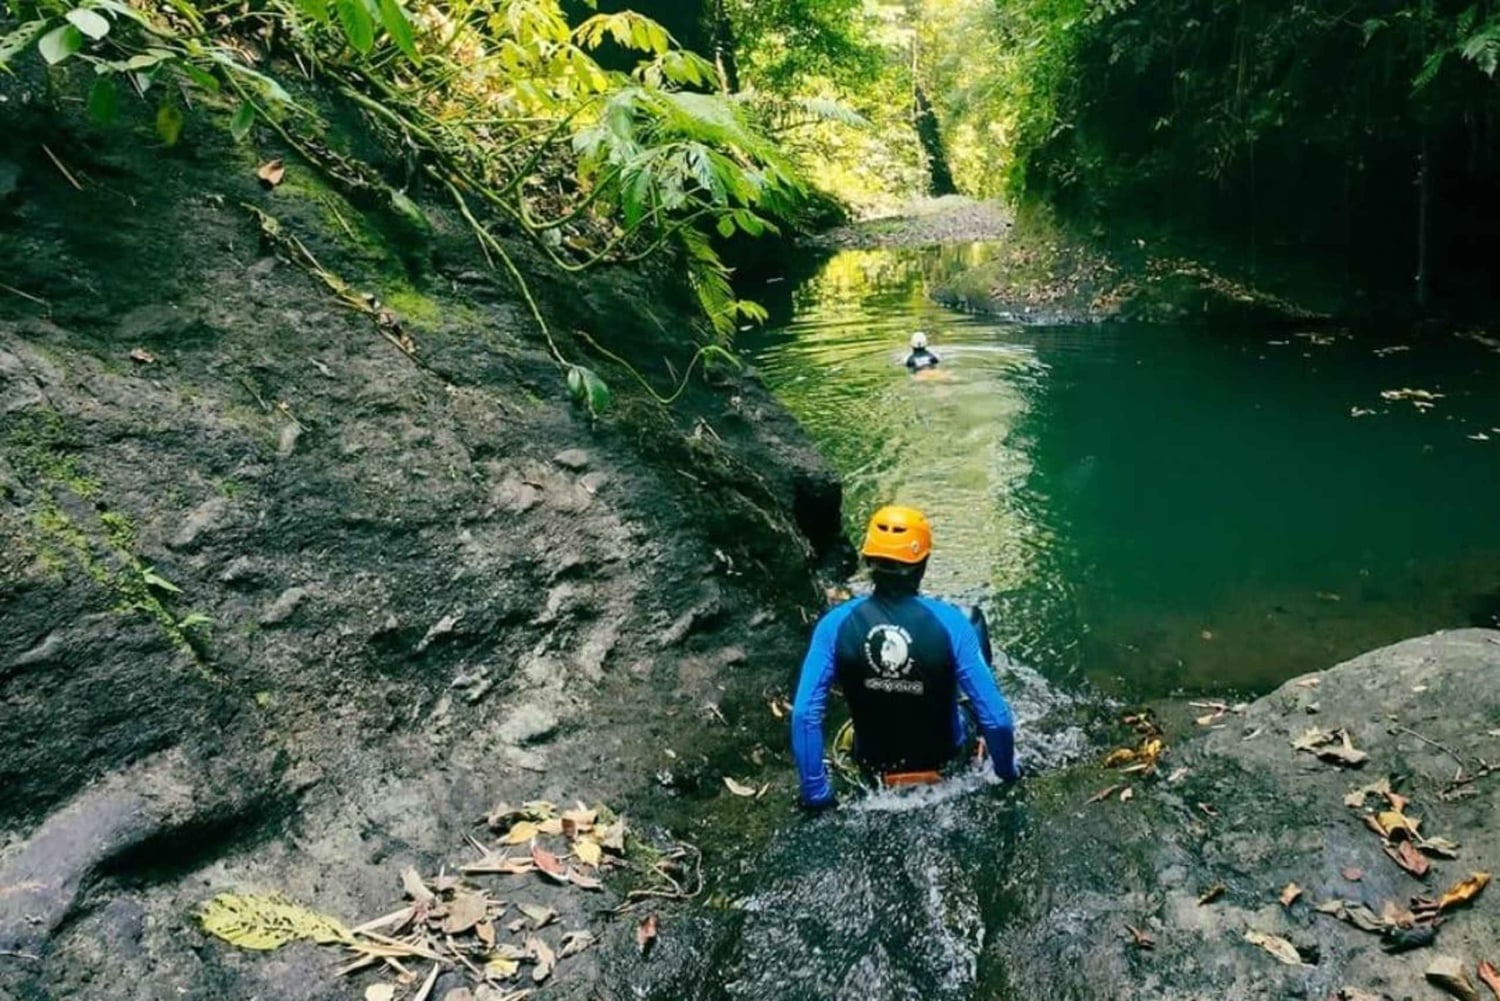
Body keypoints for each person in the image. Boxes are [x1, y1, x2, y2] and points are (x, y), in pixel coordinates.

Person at [791, 505, 1019, 810]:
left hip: (872, 765)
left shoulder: (834, 624)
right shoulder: (954, 623)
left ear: (868, 560)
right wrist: (1007, 774)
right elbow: (998, 719)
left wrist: (817, 795)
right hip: (947, 761)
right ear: (922, 563)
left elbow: (805, 714)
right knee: (973, 634)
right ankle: (975, 745)